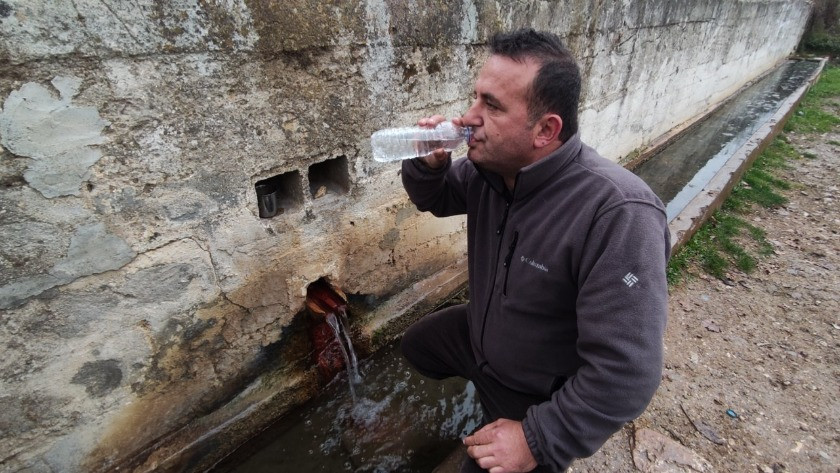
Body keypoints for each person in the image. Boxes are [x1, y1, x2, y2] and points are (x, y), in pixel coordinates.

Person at [399, 28, 670, 472]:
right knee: (418, 346)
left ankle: (514, 424)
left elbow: (626, 373)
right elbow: (437, 198)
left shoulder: (619, 213)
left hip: (539, 388)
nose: (469, 117)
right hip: (485, 340)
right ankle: (486, 385)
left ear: (546, 130)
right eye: (476, 98)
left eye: (492, 105)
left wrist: (537, 439)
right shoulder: (492, 171)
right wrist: (430, 166)